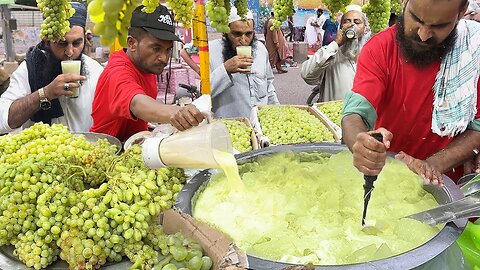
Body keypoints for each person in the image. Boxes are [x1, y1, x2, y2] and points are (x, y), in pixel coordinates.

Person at [341, 0, 480, 185]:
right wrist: (360, 143)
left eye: (439, 26)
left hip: (447, 183)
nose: (423, 35)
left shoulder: (472, 52)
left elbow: (477, 128)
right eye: (416, 19)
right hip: (386, 181)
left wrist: (430, 166)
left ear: (462, 12)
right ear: (404, 2)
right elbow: (355, 112)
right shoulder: (380, 48)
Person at [90, 5, 206, 141]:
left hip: (135, 148)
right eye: (156, 48)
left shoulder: (146, 66)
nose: (163, 58)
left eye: (168, 50)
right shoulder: (117, 71)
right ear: (132, 43)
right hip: (109, 152)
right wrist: (174, 112)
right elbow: (137, 103)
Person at [0, 2, 103, 133]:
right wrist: (45, 93)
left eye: (77, 43)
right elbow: (3, 119)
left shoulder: (96, 70)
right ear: (47, 41)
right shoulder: (28, 69)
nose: (70, 52)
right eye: (62, 43)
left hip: (86, 152)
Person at [209, 7, 279, 119]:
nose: (243, 40)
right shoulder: (211, 51)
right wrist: (225, 69)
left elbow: (269, 86)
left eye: (248, 34)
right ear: (226, 32)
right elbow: (203, 93)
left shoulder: (260, 49)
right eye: (237, 34)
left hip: (261, 123)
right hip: (230, 127)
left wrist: (276, 111)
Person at [301, 9, 369, 102]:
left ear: (365, 29)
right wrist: (335, 44)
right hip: (333, 114)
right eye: (347, 21)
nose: (352, 25)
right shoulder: (330, 53)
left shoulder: (371, 57)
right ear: (341, 27)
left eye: (357, 22)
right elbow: (307, 75)